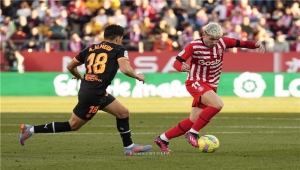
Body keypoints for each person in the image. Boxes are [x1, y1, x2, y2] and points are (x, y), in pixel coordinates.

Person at [19, 24, 152, 156]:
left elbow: (70, 66)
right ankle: (30, 130)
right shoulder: (119, 49)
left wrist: (79, 77)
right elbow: (125, 69)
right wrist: (137, 76)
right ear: (117, 38)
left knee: (123, 113)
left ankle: (129, 147)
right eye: (121, 38)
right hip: (94, 94)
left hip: (94, 90)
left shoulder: (91, 49)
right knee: (73, 125)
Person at [154, 22, 265, 152]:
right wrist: (181, 67)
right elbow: (177, 62)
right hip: (195, 82)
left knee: (193, 119)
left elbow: (242, 43)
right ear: (204, 35)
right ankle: (193, 133)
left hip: (211, 85)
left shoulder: (223, 42)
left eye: (217, 39)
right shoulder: (193, 46)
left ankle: (163, 138)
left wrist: (256, 44)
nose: (214, 42)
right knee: (217, 104)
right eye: (211, 39)